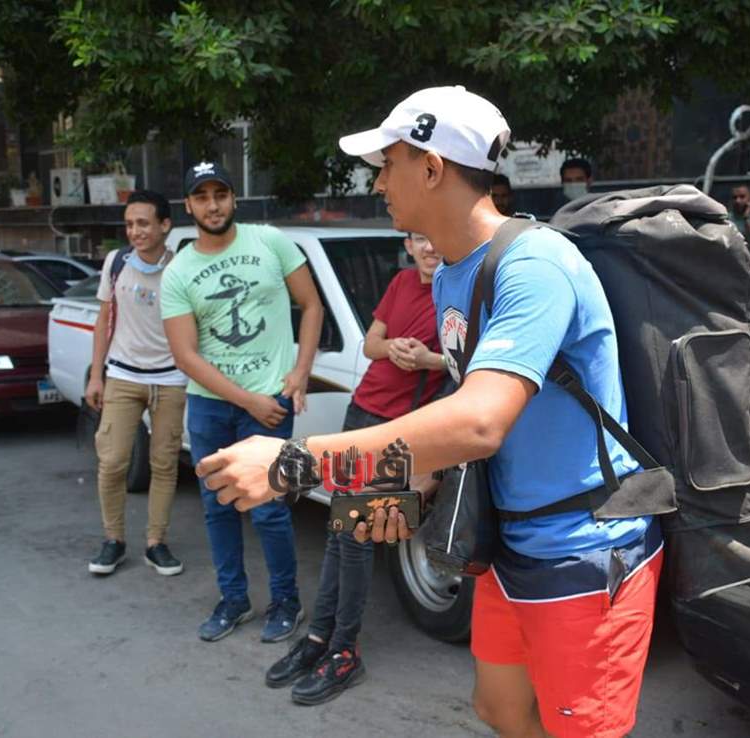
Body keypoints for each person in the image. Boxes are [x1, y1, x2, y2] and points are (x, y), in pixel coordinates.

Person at [196, 86, 661, 737]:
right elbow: (474, 411)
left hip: (582, 547)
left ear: (433, 168)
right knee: (499, 708)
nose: (379, 183)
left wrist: (292, 463)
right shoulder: (450, 274)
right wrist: (414, 484)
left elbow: (480, 420)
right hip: (508, 540)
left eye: (388, 165)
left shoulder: (536, 263)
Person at [264, 232, 447, 705]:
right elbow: (370, 345)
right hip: (360, 414)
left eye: (435, 238)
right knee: (338, 533)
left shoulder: (460, 291)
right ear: (409, 245)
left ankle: (345, 650)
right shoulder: (401, 283)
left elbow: (472, 365)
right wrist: (393, 349)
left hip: (398, 431)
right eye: (420, 240)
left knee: (358, 539)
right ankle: (319, 639)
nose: (429, 248)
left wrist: (428, 360)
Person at [160, 160, 325, 643]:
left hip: (271, 400)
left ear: (233, 199)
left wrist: (300, 372)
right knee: (218, 507)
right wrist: (248, 401)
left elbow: (312, 306)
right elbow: (186, 356)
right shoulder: (179, 271)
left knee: (269, 508)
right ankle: (233, 600)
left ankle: (286, 602)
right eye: (202, 197)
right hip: (211, 407)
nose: (212, 206)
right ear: (189, 206)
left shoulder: (271, 242)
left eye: (220, 195)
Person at [85, 190, 188, 577]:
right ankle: (113, 540)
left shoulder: (182, 268)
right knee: (112, 462)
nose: (135, 231)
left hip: (170, 380)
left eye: (143, 223)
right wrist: (97, 376)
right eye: (129, 224)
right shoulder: (116, 263)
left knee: (164, 464)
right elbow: (103, 321)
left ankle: (156, 543)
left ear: (165, 225)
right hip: (123, 376)